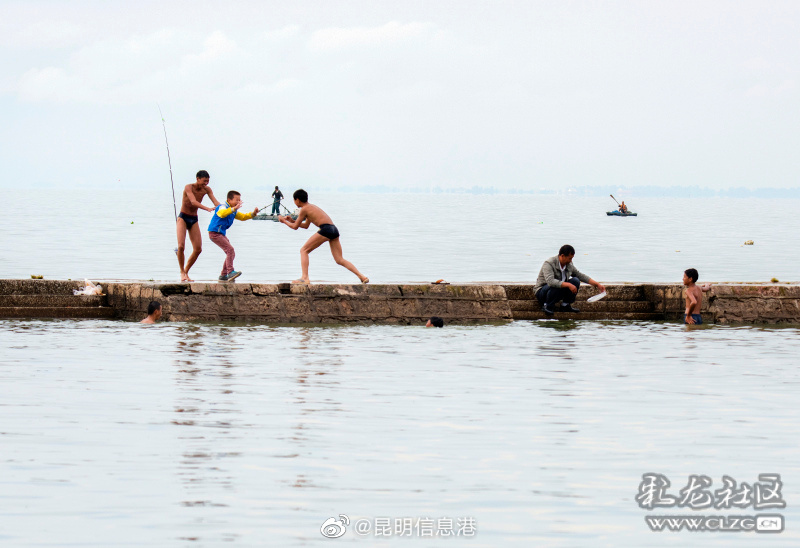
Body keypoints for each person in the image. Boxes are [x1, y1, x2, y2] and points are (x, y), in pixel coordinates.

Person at [278, 189, 369, 285]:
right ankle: (362, 276)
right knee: (339, 259)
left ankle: (305, 278)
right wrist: (291, 220)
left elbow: (295, 227)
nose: (294, 202)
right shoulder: (311, 207)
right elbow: (305, 226)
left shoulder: (304, 209)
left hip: (326, 229)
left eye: (294, 200)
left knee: (304, 250)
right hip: (334, 229)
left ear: (297, 200)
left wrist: (283, 221)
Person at [533, 245, 606, 315]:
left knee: (575, 281)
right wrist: (568, 285)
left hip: (557, 292)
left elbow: (579, 275)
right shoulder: (549, 263)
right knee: (555, 284)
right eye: (569, 258)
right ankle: (547, 306)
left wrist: (597, 284)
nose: (571, 261)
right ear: (562, 256)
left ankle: (565, 305)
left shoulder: (569, 265)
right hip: (542, 292)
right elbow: (551, 281)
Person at [177, 170, 221, 282]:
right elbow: (193, 202)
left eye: (208, 181)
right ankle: (182, 272)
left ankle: (186, 271)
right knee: (181, 246)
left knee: (198, 249)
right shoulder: (188, 187)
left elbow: (216, 203)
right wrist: (207, 208)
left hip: (193, 219)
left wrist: (229, 209)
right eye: (204, 181)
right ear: (197, 178)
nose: (206, 183)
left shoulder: (207, 189)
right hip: (183, 218)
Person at [208, 190, 259, 281]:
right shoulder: (222, 207)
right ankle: (230, 272)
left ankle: (223, 275)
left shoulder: (233, 211)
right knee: (230, 250)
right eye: (237, 200)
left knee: (231, 252)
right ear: (229, 200)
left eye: (239, 200)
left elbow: (243, 217)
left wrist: (253, 214)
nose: (238, 202)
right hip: (214, 233)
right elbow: (222, 214)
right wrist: (234, 209)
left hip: (220, 234)